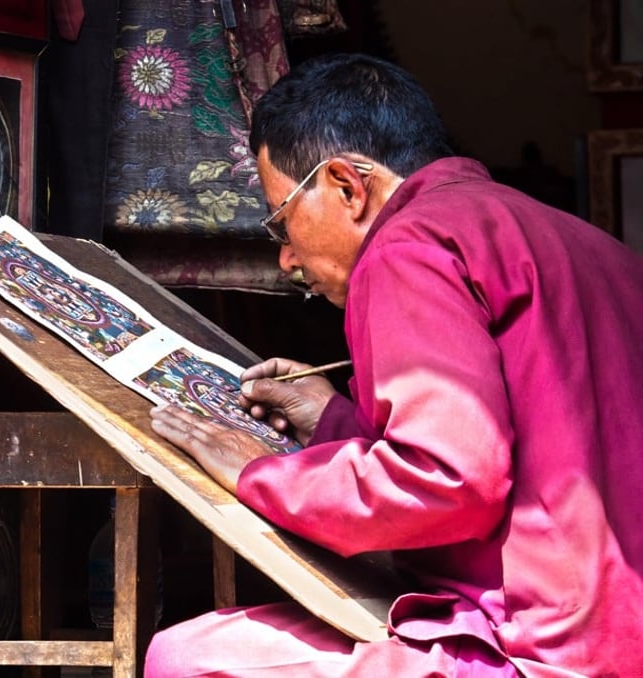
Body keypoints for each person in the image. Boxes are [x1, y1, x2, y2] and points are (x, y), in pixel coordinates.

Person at [145, 52, 643, 676]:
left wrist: (260, 473)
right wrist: (331, 421)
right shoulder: (589, 241)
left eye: (282, 226)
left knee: (189, 658)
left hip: (548, 652)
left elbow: (448, 482)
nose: (288, 260)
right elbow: (513, 442)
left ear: (349, 187)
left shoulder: (409, 244)